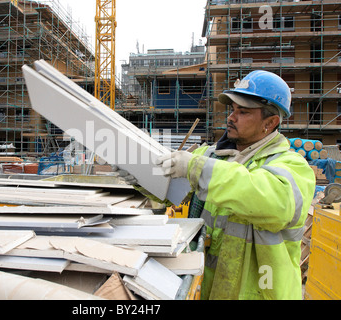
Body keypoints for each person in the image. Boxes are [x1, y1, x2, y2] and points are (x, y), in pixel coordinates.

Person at [117, 70, 316, 300]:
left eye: (243, 112)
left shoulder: (292, 166)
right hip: (211, 290)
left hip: (261, 292)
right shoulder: (213, 157)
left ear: (270, 123)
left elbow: (270, 201)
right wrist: (141, 176)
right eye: (232, 110)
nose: (231, 117)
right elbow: (172, 188)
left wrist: (195, 167)